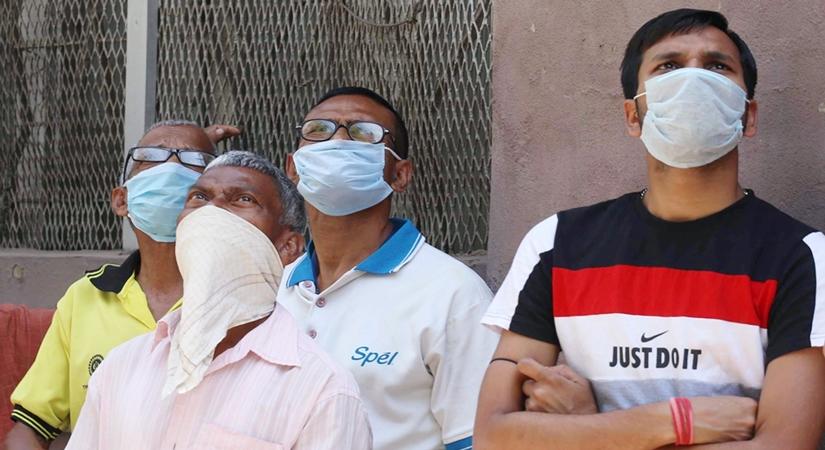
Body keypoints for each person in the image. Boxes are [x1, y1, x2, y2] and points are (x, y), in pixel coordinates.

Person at [475, 9, 825, 449]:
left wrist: (587, 428)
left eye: (717, 66)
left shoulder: (802, 256)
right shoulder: (556, 243)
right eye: (669, 66)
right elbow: (493, 437)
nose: (694, 79)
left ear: (748, 115)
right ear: (632, 116)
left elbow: (784, 445)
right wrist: (675, 421)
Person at [65, 151, 368, 449]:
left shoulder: (322, 391)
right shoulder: (121, 366)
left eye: (243, 199)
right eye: (199, 197)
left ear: (288, 247)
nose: (211, 211)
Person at [279, 86, 497, 450]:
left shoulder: (454, 294)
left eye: (364, 133)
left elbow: (477, 441)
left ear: (400, 174)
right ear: (293, 168)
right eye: (319, 130)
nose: (338, 141)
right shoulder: (275, 289)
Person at [5, 120, 239, 449]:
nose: (171, 169)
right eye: (152, 157)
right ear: (121, 201)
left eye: (193, 161)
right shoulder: (85, 297)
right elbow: (30, 426)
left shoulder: (241, 301)